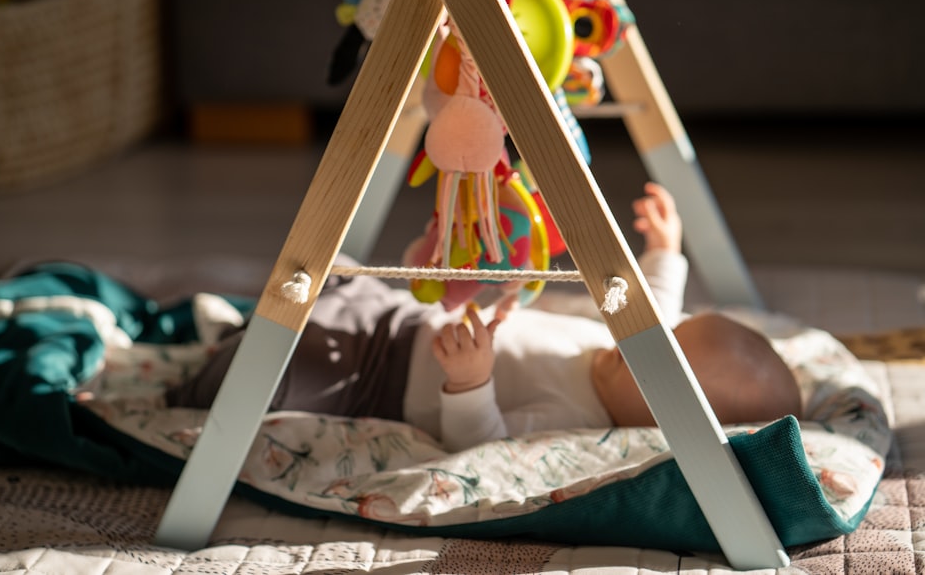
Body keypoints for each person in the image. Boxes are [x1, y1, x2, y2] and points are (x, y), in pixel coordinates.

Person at [165, 182, 802, 452]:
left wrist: (470, 384)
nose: (648, 344)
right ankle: (241, 326)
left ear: (667, 422)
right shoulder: (634, 342)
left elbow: (485, 446)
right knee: (332, 277)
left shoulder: (577, 419)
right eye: (666, 338)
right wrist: (665, 251)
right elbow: (657, 306)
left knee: (267, 382)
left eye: (664, 363)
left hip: (372, 384)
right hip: (395, 318)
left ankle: (209, 365)